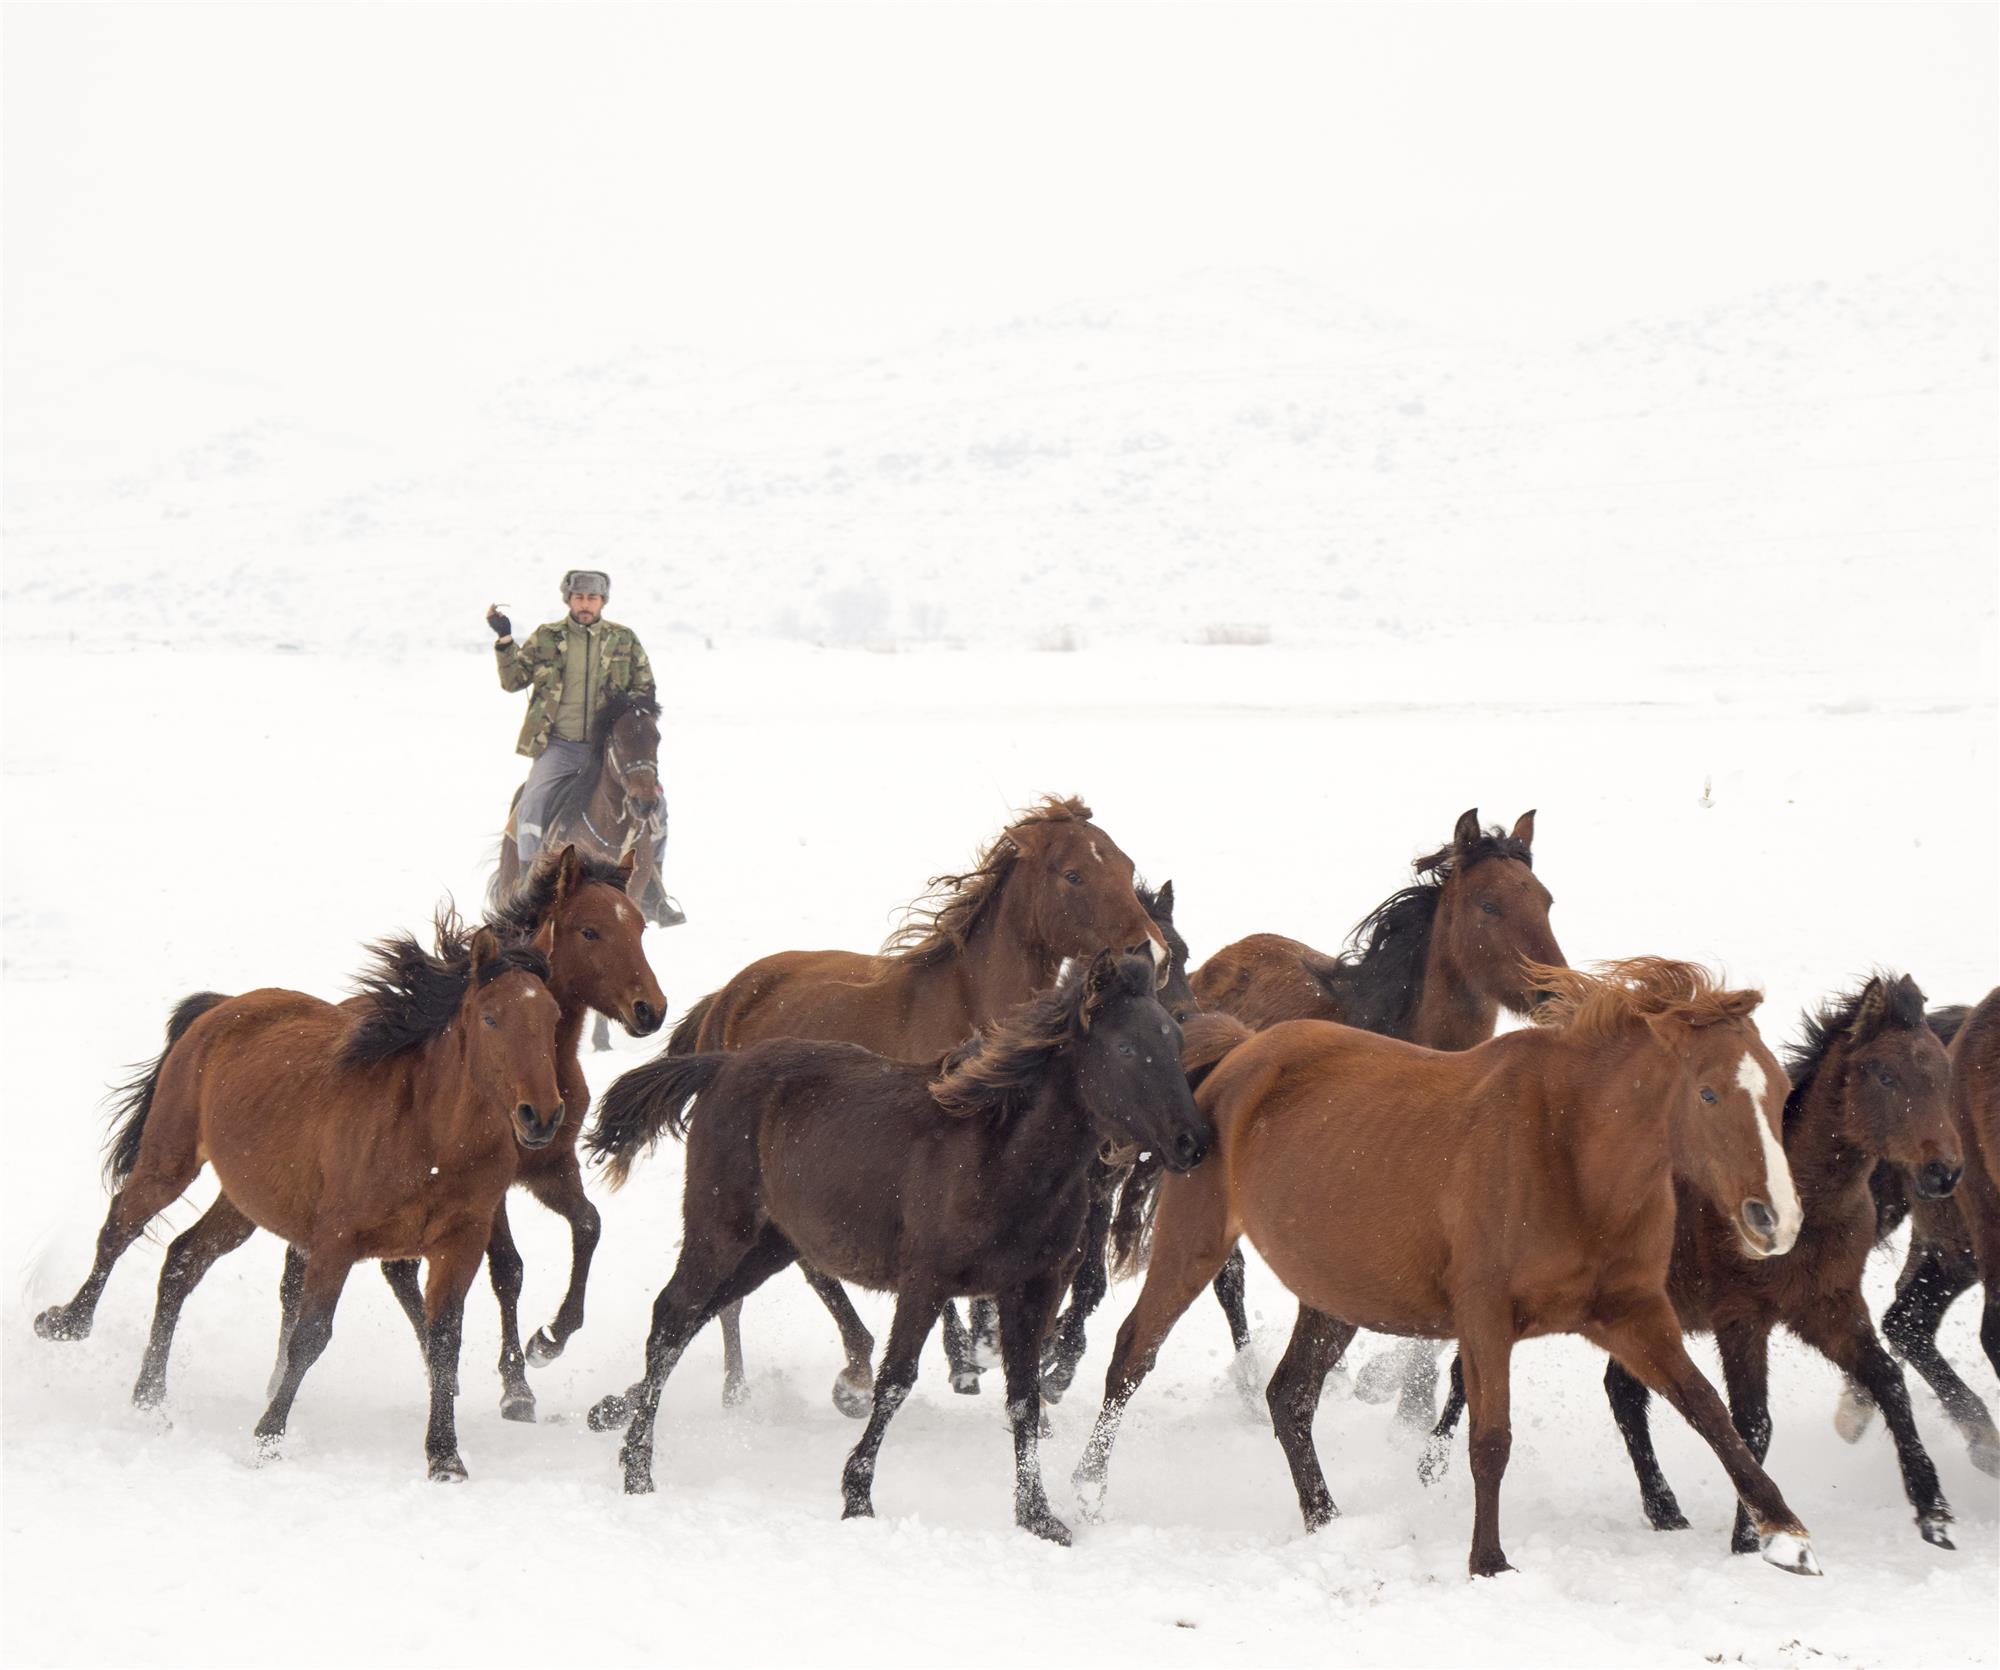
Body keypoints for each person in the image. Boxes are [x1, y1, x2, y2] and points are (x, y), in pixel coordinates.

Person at [487, 569, 669, 893]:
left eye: (592, 598)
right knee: (532, 803)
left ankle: (655, 888)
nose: (585, 604)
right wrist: (504, 641)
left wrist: (624, 712)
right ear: (569, 599)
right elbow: (513, 680)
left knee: (658, 805)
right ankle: (530, 882)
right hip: (559, 746)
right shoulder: (547, 637)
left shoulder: (624, 639)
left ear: (603, 601)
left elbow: (646, 691)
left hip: (610, 750)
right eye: (579, 597)